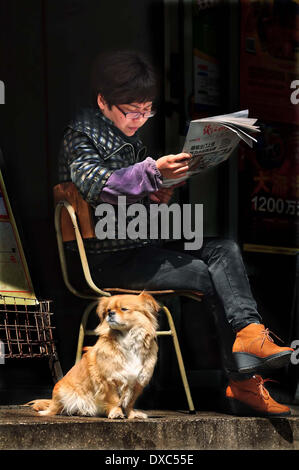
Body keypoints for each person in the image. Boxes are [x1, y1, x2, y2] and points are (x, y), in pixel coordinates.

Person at [58, 50, 293, 416]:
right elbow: (98, 185)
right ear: (103, 101)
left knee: (223, 249)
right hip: (105, 259)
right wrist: (151, 174)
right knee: (211, 275)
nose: (139, 119)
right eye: (131, 110)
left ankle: (249, 332)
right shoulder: (81, 138)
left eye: (146, 110)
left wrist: (155, 195)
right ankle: (244, 382)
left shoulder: (127, 137)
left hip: (137, 246)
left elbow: (128, 200)